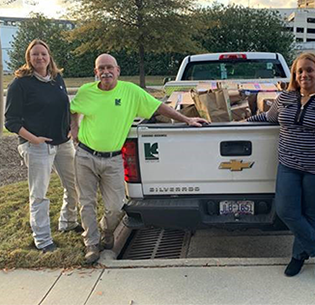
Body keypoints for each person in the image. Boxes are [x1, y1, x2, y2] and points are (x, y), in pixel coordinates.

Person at [70, 54, 208, 263]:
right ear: (96, 72)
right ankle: (91, 243)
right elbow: (73, 110)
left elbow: (159, 107)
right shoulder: (85, 92)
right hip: (85, 156)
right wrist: (74, 129)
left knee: (116, 207)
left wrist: (186, 119)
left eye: (110, 67)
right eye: (101, 68)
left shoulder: (131, 92)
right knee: (86, 202)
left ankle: (106, 230)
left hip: (114, 159)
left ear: (118, 70)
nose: (106, 72)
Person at [247, 52, 315, 279]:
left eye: (309, 70)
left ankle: (297, 257)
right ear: (294, 74)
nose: (304, 75)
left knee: (310, 214)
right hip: (289, 165)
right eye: (300, 71)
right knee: (286, 210)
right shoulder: (284, 98)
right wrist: (240, 123)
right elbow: (268, 118)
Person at [4, 39, 81, 253]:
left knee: (73, 185)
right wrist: (33, 139)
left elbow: (65, 106)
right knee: (39, 194)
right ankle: (43, 239)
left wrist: (69, 127)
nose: (40, 58)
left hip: (63, 143)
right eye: (35, 54)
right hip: (37, 146)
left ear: (49, 57)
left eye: (43, 54)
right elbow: (11, 121)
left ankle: (68, 222)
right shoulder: (20, 84)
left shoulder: (56, 78)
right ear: (28, 58)